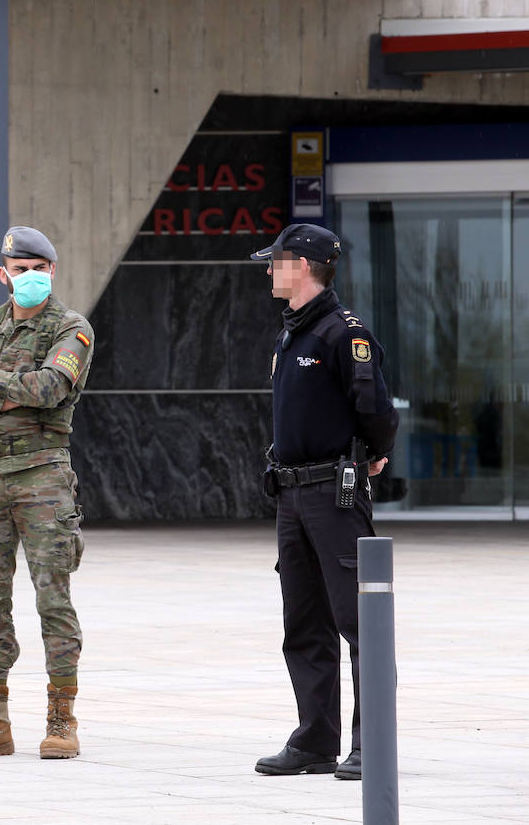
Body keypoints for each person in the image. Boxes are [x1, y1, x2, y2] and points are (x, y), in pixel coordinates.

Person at [251, 223, 398, 782]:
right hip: (291, 493)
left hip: (334, 494)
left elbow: (376, 409)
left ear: (302, 266)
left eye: (275, 261)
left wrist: (374, 454)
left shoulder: (343, 333)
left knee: (360, 621)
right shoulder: (292, 333)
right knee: (305, 622)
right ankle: (314, 741)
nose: (269, 270)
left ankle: (371, 745)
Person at [0, 226, 93, 760]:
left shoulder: (70, 327)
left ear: (52, 271)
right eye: (20, 269)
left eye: (39, 268)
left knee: (53, 597)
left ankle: (62, 719)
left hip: (42, 476)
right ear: (3, 275)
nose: (30, 276)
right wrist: (12, 389)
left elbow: (52, 388)